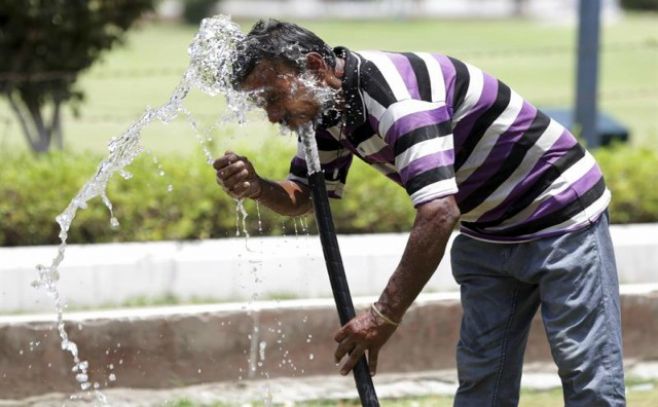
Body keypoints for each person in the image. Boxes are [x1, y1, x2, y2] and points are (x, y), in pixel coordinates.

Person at [213, 19, 625, 406]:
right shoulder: (326, 109)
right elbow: (303, 195)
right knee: (484, 376)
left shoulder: (397, 100)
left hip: (563, 217)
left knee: (587, 372)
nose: (271, 116)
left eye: (272, 97)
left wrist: (382, 316)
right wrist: (258, 187)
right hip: (488, 231)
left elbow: (439, 213)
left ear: (315, 67)